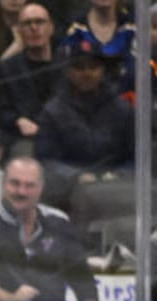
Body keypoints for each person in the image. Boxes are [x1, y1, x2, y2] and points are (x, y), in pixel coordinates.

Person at [0, 156, 99, 301]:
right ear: (3, 184)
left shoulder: (59, 222)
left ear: (41, 188)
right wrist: (11, 300)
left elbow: (83, 279)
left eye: (29, 186)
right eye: (14, 183)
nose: (21, 192)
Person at [34, 40, 135, 191]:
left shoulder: (123, 109)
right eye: (79, 67)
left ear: (103, 70)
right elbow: (45, 159)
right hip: (70, 186)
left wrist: (118, 175)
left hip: (117, 184)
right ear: (68, 72)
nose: (87, 73)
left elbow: (137, 157)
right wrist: (76, 176)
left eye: (93, 67)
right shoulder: (52, 111)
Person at [0, 3, 61, 150]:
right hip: (24, 139)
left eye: (39, 22)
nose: (33, 28)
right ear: (19, 31)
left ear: (51, 28)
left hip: (62, 135)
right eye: (27, 23)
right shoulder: (8, 68)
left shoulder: (66, 65)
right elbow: (1, 111)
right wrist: (17, 120)